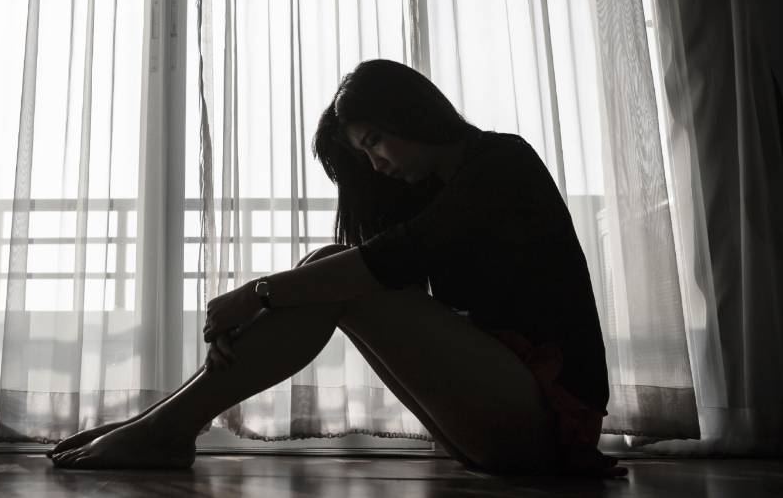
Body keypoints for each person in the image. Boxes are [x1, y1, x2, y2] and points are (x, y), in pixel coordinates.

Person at [49, 59, 625, 477]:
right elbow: (376, 265)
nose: (376, 164)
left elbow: (388, 259)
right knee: (324, 275)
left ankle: (164, 429)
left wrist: (255, 294)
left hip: (551, 419)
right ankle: (161, 424)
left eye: (375, 141)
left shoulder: (502, 161)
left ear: (409, 113)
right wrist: (266, 298)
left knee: (330, 274)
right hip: (495, 420)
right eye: (364, 154)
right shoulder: (431, 193)